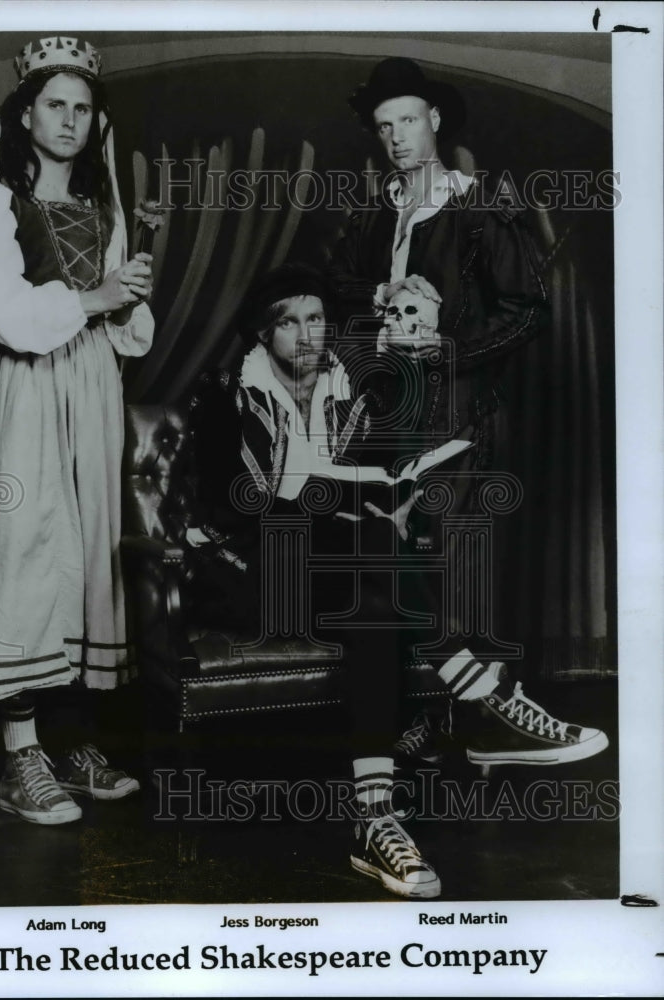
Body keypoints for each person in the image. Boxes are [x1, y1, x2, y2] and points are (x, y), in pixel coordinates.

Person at [186, 264, 607, 900]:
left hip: (341, 580)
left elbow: (383, 477)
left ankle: (374, 818)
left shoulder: (350, 392)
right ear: (264, 332)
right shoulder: (228, 396)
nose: (306, 334)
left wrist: (388, 496)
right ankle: (488, 700)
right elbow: (228, 507)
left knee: (375, 601)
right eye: (289, 321)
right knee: (364, 548)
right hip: (252, 577)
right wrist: (318, 502)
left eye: (316, 319)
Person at [0, 37, 155, 825]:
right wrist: (99, 298)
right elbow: (1, 311)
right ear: (26, 113)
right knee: (27, 555)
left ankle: (69, 740)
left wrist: (127, 299)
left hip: (89, 383)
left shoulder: (102, 203)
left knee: (85, 555)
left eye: (83, 106)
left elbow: (123, 322)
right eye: (55, 104)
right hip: (24, 386)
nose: (70, 119)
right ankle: (18, 756)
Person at [328, 57, 567, 762]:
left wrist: (451, 345)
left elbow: (528, 313)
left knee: (459, 565)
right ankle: (416, 717)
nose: (396, 136)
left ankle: (483, 722)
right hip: (390, 417)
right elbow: (338, 287)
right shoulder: (380, 210)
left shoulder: (478, 206)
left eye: (407, 120)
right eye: (383, 126)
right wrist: (375, 304)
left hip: (464, 416)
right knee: (396, 567)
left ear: (433, 121)